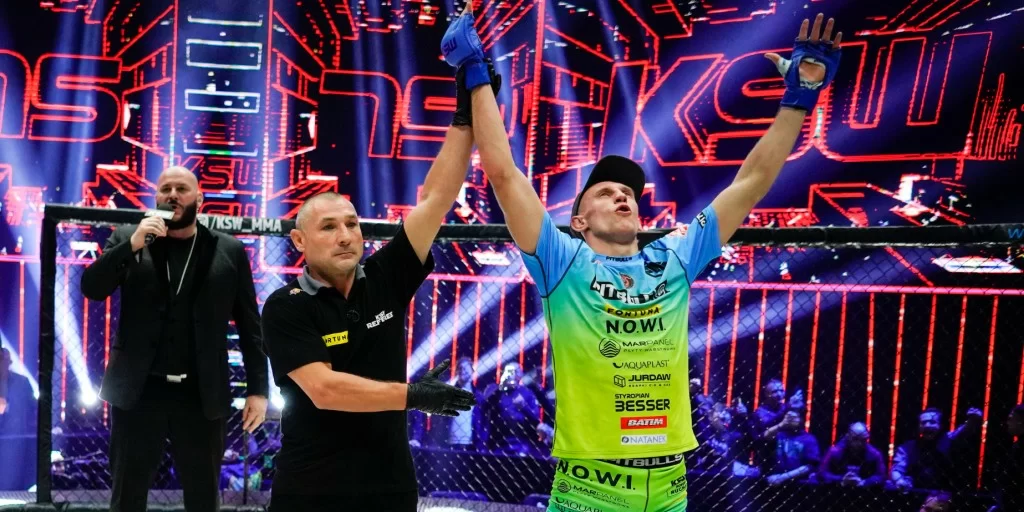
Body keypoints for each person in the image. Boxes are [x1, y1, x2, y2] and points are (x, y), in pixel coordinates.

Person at [444, 7, 842, 510]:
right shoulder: (562, 261)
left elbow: (751, 181)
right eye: (605, 192)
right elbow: (504, 174)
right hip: (590, 489)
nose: (621, 196)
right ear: (578, 221)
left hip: (670, 488)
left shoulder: (675, 256)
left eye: (628, 193)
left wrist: (799, 97)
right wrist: (475, 73)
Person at [260, 17, 494, 507]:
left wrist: (465, 113)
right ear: (299, 241)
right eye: (329, 227)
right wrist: (414, 395)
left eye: (351, 223)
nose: (346, 235)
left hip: (390, 484)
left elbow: (435, 199)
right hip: (312, 489)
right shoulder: (287, 305)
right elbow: (325, 390)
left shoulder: (383, 278)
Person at [80, 166, 269, 512]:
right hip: (139, 391)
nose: (172, 195)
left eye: (182, 189)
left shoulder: (228, 250)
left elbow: (249, 325)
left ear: (199, 198)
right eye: (165, 189)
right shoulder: (128, 238)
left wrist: (258, 389)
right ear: (156, 197)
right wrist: (133, 245)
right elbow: (92, 288)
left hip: (200, 393)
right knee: (127, 497)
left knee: (203, 498)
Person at [890, 407, 982, 492]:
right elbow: (897, 469)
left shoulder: (947, 439)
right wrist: (899, 480)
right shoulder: (908, 447)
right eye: (923, 423)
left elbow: (962, 431)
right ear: (918, 427)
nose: (927, 425)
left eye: (932, 422)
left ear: (940, 425)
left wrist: (972, 421)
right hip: (915, 490)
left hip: (945, 490)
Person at [0, 347, 37, 491]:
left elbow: (33, 409)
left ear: (9, 362)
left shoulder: (22, 383)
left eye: (4, 360)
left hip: (14, 442)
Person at [818, 422, 886, 487]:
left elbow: (881, 476)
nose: (859, 443)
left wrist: (864, 482)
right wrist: (840, 479)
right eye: (855, 439)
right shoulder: (834, 451)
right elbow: (821, 472)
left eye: (863, 440)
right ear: (848, 436)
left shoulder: (875, 454)